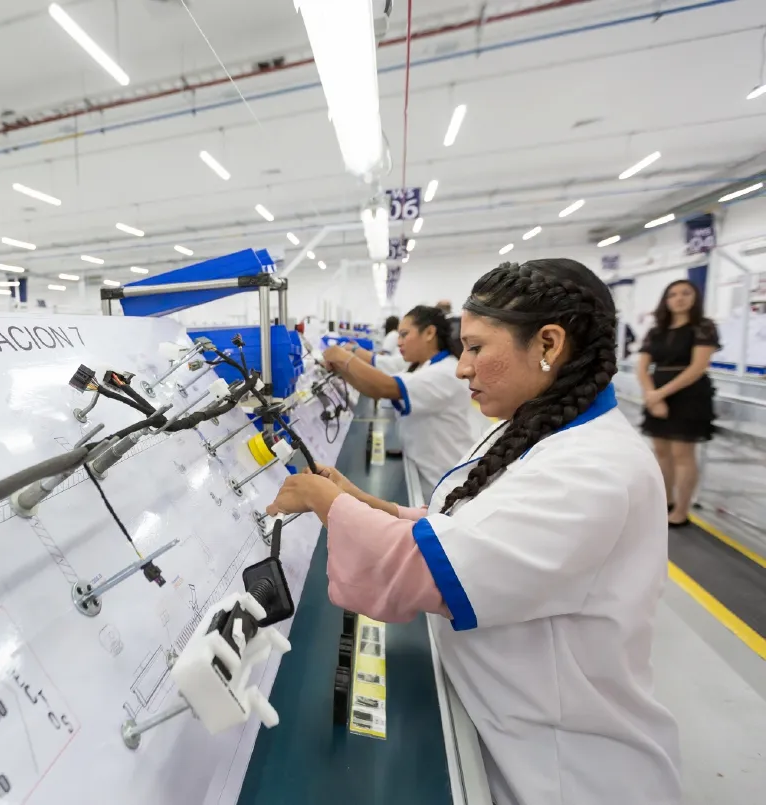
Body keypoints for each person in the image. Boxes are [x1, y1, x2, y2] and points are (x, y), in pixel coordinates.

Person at [269, 259, 681, 805]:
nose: (462, 368)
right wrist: (358, 501)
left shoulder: (593, 470)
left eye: (476, 348)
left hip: (565, 768)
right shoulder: (537, 429)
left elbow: (424, 571)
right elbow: (461, 528)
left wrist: (325, 502)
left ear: (549, 344)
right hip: (513, 722)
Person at [322, 305, 481, 495]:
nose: (398, 342)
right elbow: (374, 389)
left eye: (404, 335)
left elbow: (385, 387)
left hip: (445, 478)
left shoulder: (444, 372)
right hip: (429, 471)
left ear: (429, 333)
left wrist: (344, 357)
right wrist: (341, 369)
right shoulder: (421, 366)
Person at [637, 279, 719, 526]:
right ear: (666, 300)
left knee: (682, 453)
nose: (679, 298)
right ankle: (666, 501)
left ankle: (682, 510)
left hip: (689, 394)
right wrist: (651, 395)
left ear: (695, 298)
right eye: (673, 294)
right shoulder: (656, 331)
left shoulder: (703, 327)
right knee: (661, 451)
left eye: (685, 293)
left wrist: (659, 394)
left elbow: (698, 367)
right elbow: (642, 368)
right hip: (656, 391)